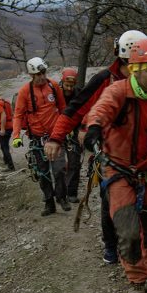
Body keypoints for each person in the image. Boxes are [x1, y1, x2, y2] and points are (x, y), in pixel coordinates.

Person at [81, 38, 147, 293]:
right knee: (127, 230)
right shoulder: (118, 92)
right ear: (135, 70)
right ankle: (137, 280)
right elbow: (101, 110)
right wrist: (94, 128)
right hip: (119, 171)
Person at [47, 29, 147, 263]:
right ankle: (112, 246)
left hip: (143, 155)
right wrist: (56, 137)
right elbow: (75, 110)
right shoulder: (104, 80)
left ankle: (143, 248)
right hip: (109, 155)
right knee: (109, 202)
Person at [11, 56, 67, 216]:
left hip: (55, 136)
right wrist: (16, 136)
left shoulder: (54, 86)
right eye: (39, 74)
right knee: (43, 173)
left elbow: (63, 108)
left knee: (59, 169)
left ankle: (62, 197)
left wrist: (66, 129)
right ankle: (49, 203)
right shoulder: (24, 92)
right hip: (37, 138)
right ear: (31, 75)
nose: (43, 76)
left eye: (44, 72)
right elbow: (18, 115)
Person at [50, 68, 83, 210]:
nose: (69, 88)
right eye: (67, 85)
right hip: (58, 131)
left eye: (72, 85)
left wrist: (81, 130)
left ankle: (72, 192)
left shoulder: (79, 94)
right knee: (60, 166)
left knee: (75, 163)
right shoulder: (55, 94)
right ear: (62, 82)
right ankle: (60, 195)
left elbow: (84, 112)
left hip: (74, 131)